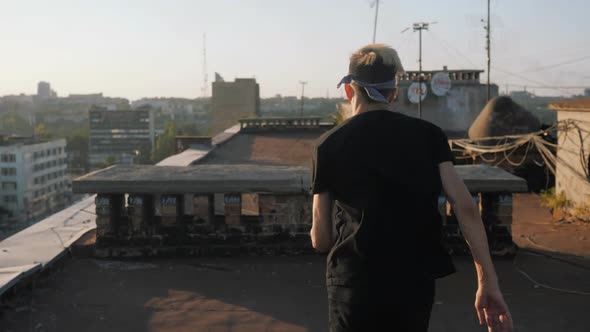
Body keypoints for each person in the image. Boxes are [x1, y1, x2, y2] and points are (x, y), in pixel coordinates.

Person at [310, 44, 513, 332]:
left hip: (353, 282)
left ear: (349, 91)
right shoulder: (429, 136)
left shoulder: (327, 144)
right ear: (393, 92)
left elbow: (321, 238)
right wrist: (487, 282)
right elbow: (465, 206)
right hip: (413, 282)